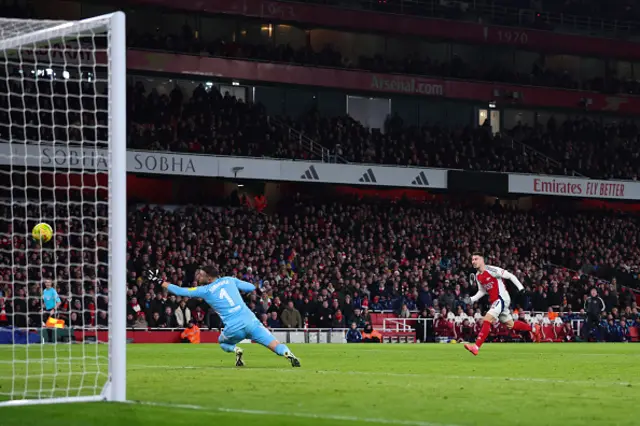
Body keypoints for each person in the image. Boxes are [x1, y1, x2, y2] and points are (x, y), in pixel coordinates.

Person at [148, 266, 300, 367]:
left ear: (208, 278)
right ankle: (288, 354)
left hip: (234, 328)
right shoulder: (230, 279)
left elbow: (181, 291)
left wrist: (160, 281)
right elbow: (251, 287)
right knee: (274, 345)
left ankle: (236, 350)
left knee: (222, 342)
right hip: (251, 321)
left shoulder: (205, 289)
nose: (198, 276)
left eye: (200, 274)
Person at [464, 252, 541, 356]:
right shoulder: (478, 276)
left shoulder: (492, 270)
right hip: (496, 301)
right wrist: (471, 299)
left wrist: (521, 288)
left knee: (487, 319)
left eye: (476, 259)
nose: (473, 261)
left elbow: (510, 276)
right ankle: (534, 329)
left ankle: (476, 347)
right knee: (511, 325)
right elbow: (482, 291)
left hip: (502, 298)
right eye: (472, 260)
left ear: (482, 260)